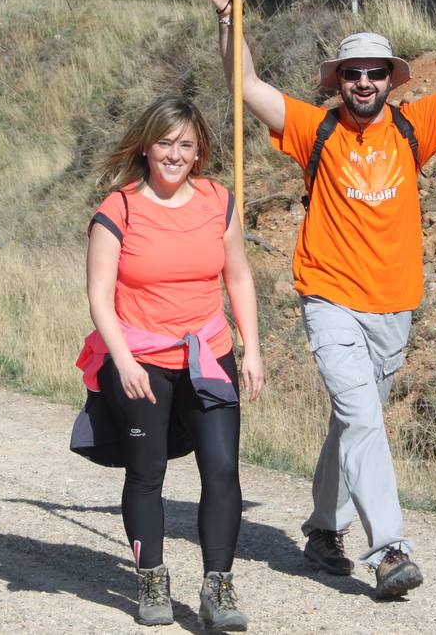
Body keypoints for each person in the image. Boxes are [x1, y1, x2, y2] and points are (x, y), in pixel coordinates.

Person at [201, 0, 436, 598]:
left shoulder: (412, 126)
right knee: (363, 416)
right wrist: (231, 22)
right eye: (353, 73)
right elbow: (248, 87)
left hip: (396, 303)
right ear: (337, 79)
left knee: (353, 420)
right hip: (330, 298)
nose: (364, 82)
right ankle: (390, 548)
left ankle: (321, 528)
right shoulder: (314, 129)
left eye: (374, 72)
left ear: (391, 80)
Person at [76, 95, 263, 630]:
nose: (175, 154)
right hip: (140, 359)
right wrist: (124, 361)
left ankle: (218, 587)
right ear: (146, 146)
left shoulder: (218, 201)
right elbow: (99, 295)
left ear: (199, 149)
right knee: (147, 472)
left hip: (209, 353)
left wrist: (251, 348)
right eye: (165, 143)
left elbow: (239, 277)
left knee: (223, 469)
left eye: (185, 144)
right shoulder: (119, 210)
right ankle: (152, 577)